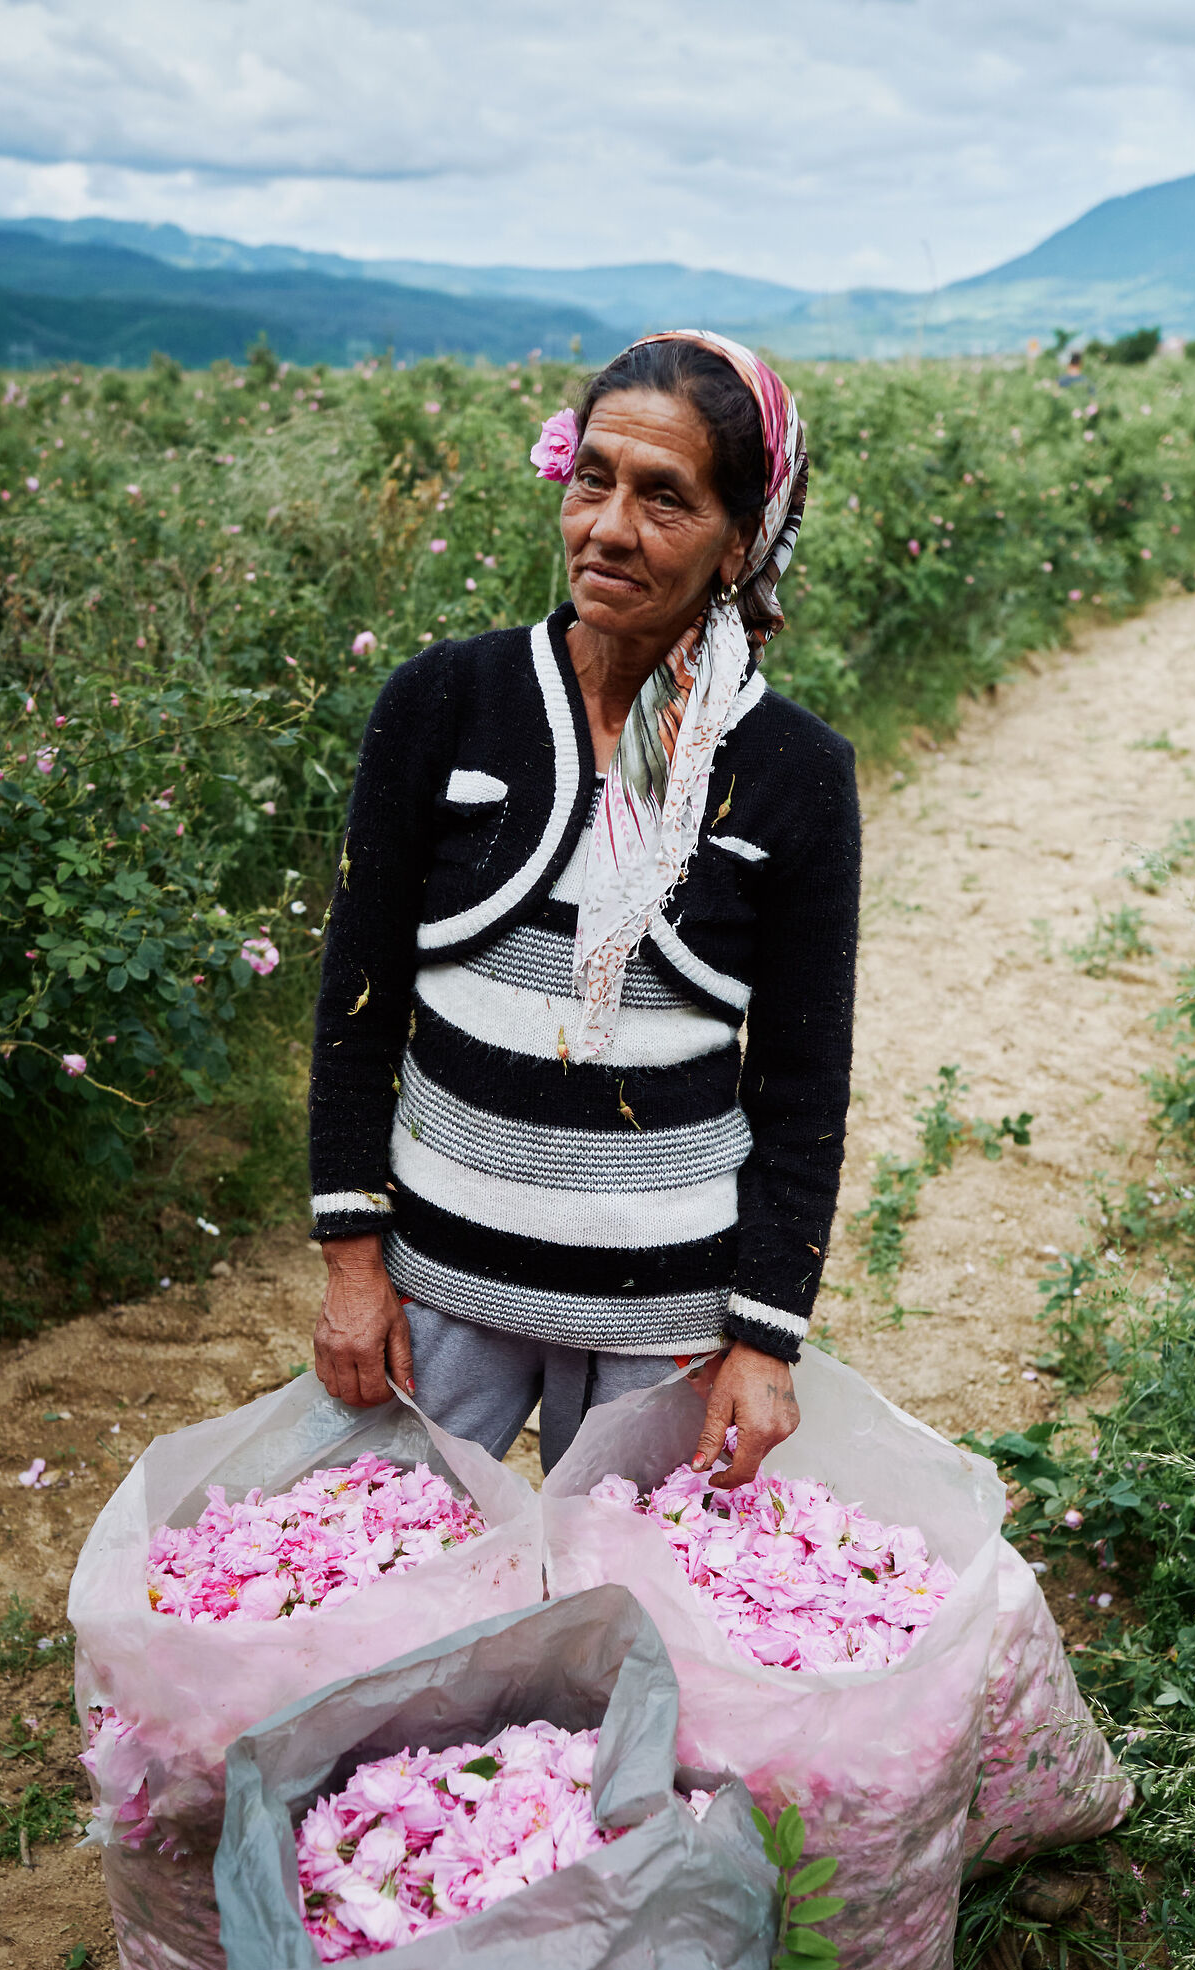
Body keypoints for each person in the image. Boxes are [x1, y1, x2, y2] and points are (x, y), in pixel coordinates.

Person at [307, 330, 860, 1489]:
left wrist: (762, 1338)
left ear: (739, 541)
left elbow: (801, 1090)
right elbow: (355, 1002)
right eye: (593, 477)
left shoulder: (794, 771)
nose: (609, 526)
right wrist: (354, 1265)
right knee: (395, 1595)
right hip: (436, 1290)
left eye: (667, 499)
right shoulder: (445, 704)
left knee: (618, 1625)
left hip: (664, 1317)